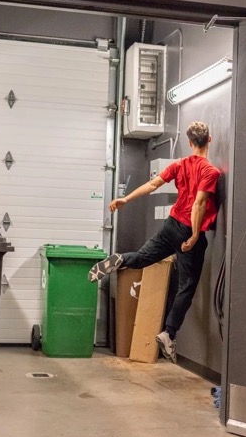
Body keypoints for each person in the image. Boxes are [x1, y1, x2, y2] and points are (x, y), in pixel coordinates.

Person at [88, 121, 220, 364]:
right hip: (188, 231)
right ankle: (169, 333)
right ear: (209, 140)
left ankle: (119, 259)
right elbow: (199, 204)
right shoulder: (210, 172)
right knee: (187, 286)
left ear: (190, 143)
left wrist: (124, 199)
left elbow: (153, 184)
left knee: (141, 258)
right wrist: (192, 236)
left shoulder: (179, 164)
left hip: (170, 225)